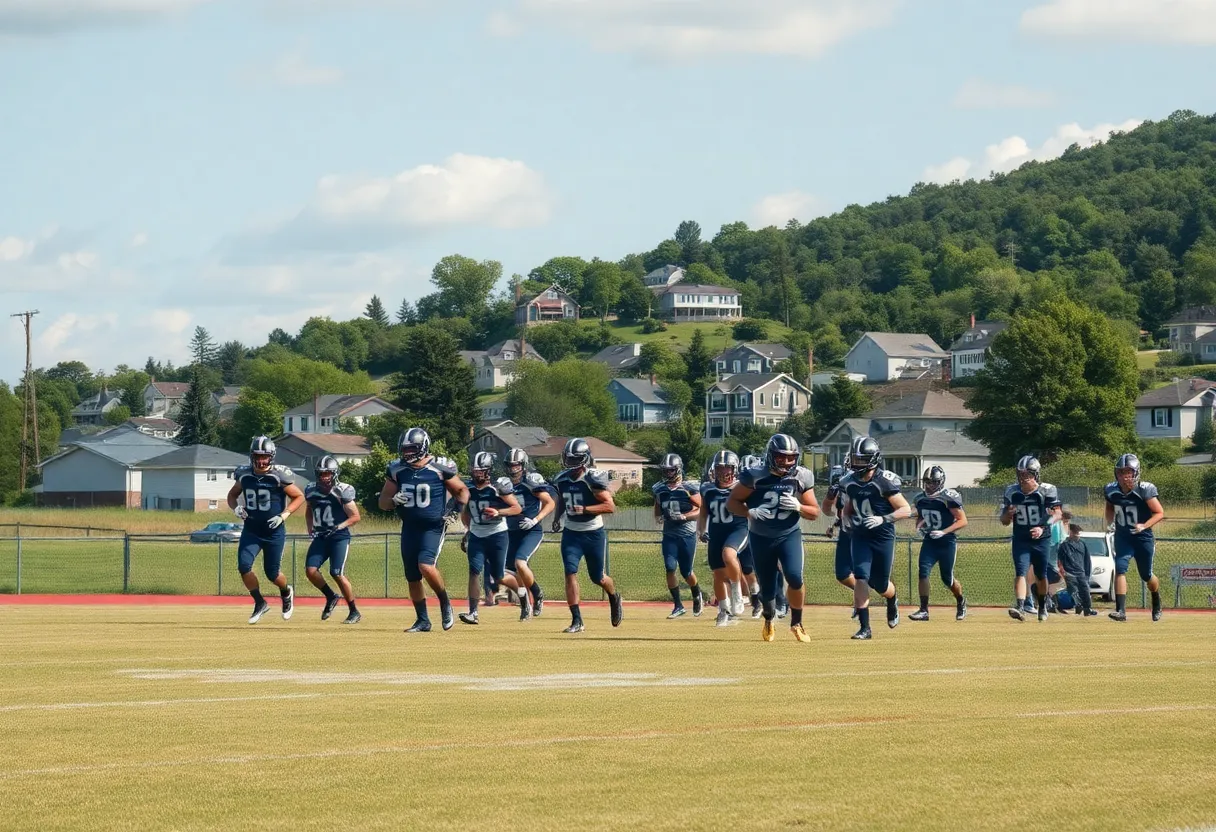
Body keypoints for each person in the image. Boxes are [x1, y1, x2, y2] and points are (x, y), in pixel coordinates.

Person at [727, 434, 820, 643]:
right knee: (767, 589)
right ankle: (769, 619)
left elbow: (814, 512)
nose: (787, 462)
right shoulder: (754, 475)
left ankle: (796, 623)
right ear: (770, 455)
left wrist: (799, 506)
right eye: (781, 457)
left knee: (795, 577)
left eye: (791, 457)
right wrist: (750, 512)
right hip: (761, 537)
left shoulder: (801, 476)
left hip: (789, 535)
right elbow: (732, 503)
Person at [378, 428, 468, 633]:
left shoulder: (439, 467)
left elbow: (462, 490)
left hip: (433, 526)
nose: (407, 453)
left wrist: (455, 509)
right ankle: (423, 620)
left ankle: (445, 603)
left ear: (423, 447)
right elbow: (383, 502)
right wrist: (392, 501)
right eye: (405, 449)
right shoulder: (396, 469)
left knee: (425, 566)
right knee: (412, 576)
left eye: (412, 448)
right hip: (409, 526)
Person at [839, 435, 910, 640]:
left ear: (873, 459)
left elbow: (905, 509)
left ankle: (892, 599)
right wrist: (846, 519)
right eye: (855, 458)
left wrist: (883, 518)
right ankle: (865, 628)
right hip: (861, 536)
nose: (856, 463)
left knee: (880, 584)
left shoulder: (883, 482)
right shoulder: (849, 482)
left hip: (882, 537)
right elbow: (848, 508)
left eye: (861, 459)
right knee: (861, 577)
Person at [228, 436, 304, 624]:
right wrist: (235, 507)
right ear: (252, 456)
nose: (261, 460)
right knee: (244, 566)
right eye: (258, 456)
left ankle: (286, 592)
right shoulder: (244, 474)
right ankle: (260, 602)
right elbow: (232, 494)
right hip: (252, 529)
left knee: (272, 574)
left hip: (273, 531)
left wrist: (284, 514)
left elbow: (299, 496)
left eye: (265, 456)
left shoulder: (279, 476)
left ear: (272, 457)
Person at [551, 438, 623, 633]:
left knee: (598, 577)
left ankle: (614, 596)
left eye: (576, 460)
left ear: (584, 459)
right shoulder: (561, 479)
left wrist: (585, 509)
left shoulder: (592, 479)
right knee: (569, 572)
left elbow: (610, 506)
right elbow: (561, 500)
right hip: (571, 533)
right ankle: (577, 620)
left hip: (593, 533)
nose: (571, 464)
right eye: (569, 459)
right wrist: (557, 518)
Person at [459, 451, 524, 625]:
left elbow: (516, 508)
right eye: (475, 469)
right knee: (474, 571)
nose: (477, 473)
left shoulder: (498, 487)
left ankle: (523, 596)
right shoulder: (468, 488)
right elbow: (465, 512)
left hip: (497, 534)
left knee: (499, 575)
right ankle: (473, 612)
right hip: (477, 534)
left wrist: (499, 512)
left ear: (489, 471)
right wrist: (468, 530)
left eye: (481, 470)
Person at [1104, 453, 1166, 622]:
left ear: (1136, 473)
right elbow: (1109, 507)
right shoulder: (1111, 489)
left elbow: (1159, 513)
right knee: (1120, 567)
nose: (1125, 476)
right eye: (1121, 472)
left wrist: (1144, 525)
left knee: (1146, 576)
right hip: (1123, 536)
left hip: (1143, 538)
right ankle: (1121, 611)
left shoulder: (1145, 490)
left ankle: (1156, 599)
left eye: (1128, 472)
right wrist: (1110, 523)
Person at [1000, 455, 1061, 622]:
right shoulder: (1012, 491)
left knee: (1041, 575)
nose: (1023, 478)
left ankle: (1042, 605)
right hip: (1021, 539)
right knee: (1020, 571)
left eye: (1027, 474)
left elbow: (1057, 513)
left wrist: (1042, 527)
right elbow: (1004, 521)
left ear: (1036, 475)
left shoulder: (1047, 490)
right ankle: (1020, 606)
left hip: (1042, 539)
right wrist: (1008, 513)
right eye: (1021, 474)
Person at [303, 455, 361, 624]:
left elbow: (355, 516)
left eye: (327, 473)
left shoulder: (342, 490)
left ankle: (354, 611)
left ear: (334, 473)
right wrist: (310, 528)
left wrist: (338, 527)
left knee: (336, 573)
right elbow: (308, 509)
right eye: (321, 474)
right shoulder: (311, 490)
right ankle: (331, 596)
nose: (324, 477)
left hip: (339, 537)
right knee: (310, 571)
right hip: (321, 536)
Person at [909, 465, 968, 622]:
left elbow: (963, 521)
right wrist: (919, 525)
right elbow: (922, 516)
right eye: (927, 482)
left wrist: (944, 531)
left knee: (947, 579)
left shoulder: (948, 497)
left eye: (933, 482)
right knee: (923, 571)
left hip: (947, 542)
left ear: (940, 482)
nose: (929, 486)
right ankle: (923, 610)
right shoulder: (920, 499)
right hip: (930, 541)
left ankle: (961, 601)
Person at [697, 449, 747, 627]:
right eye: (719, 468)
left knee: (729, 555)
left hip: (738, 528)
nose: (723, 472)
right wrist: (701, 530)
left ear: (735, 470)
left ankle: (737, 592)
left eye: (727, 468)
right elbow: (703, 513)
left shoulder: (743, 488)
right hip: (716, 531)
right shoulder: (707, 488)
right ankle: (723, 610)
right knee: (718, 574)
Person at [653, 453, 704, 619]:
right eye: (666, 470)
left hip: (687, 534)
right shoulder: (659, 489)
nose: (668, 473)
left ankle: (697, 593)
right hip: (669, 534)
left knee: (686, 571)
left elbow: (702, 510)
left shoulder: (689, 488)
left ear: (678, 469)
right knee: (669, 567)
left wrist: (685, 516)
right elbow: (658, 508)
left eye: (671, 470)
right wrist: (659, 517)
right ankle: (678, 605)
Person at [504, 448, 553, 619]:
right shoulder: (504, 484)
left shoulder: (531, 481)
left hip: (531, 530)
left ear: (523, 465)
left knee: (520, 563)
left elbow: (549, 503)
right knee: (507, 572)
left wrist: (535, 519)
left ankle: (537, 594)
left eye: (516, 464)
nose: (513, 468)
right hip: (511, 532)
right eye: (510, 465)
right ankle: (525, 603)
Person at [821, 460, 857, 616]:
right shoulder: (842, 484)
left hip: (863, 532)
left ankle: (860, 604)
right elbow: (837, 510)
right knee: (842, 574)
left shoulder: (870, 484)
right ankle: (862, 594)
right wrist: (834, 522)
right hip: (846, 531)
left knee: (862, 573)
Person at [1055, 522, 1096, 616]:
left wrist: (1087, 573)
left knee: (1085, 591)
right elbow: (1060, 560)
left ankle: (1087, 609)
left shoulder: (1082, 544)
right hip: (1069, 572)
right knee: (1074, 592)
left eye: (1079, 533)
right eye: (1076, 533)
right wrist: (1062, 571)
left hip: (1081, 572)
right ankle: (1078, 605)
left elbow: (1087, 560)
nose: (1078, 535)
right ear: (1071, 533)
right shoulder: (1064, 545)